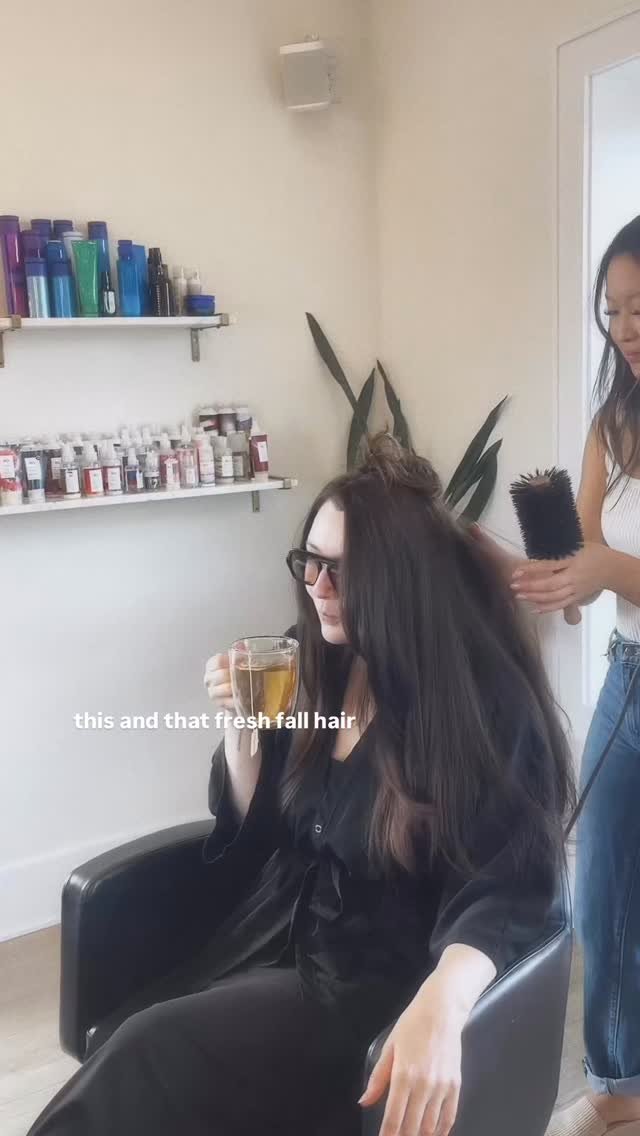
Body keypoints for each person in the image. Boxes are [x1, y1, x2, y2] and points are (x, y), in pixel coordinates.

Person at [28, 435, 574, 1136]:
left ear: (399, 579)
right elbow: (259, 827)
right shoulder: (317, 660)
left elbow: (511, 884)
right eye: (311, 561)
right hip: (277, 938)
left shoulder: (480, 706)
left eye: (342, 571)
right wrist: (242, 726)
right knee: (144, 1041)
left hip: (369, 984)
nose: (318, 586)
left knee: (147, 1050)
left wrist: (445, 1000)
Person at [511, 216, 640, 1136]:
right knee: (600, 889)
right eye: (613, 310)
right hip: (628, 681)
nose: (625, 328)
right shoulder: (611, 426)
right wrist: (558, 585)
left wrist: (605, 570)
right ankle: (619, 1086)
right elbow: (589, 568)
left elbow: (612, 565)